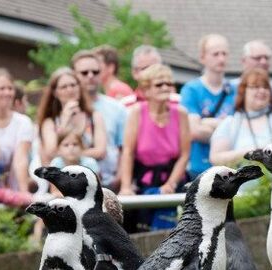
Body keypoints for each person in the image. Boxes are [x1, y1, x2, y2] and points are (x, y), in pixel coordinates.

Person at [119, 64, 190, 230]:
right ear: (146, 90)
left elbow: (184, 155)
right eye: (159, 84)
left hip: (174, 178)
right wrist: (126, 187)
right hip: (144, 180)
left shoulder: (180, 114)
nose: (165, 87)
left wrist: (171, 184)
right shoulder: (137, 112)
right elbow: (128, 152)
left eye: (168, 83)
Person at [180, 34, 235, 178]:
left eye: (224, 54)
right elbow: (194, 131)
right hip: (199, 168)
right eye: (215, 54)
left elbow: (238, 131)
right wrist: (225, 128)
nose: (221, 58)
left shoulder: (235, 90)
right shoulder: (191, 89)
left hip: (229, 169)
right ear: (202, 57)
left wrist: (207, 122)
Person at [71, 50, 127, 190]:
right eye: (84, 73)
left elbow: (124, 148)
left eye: (95, 72)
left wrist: (120, 178)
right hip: (71, 183)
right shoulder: (66, 108)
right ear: (74, 75)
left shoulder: (117, 108)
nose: (90, 76)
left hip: (109, 183)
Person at [37, 67, 106, 168]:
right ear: (55, 93)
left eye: (73, 85)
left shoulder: (93, 116)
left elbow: (100, 151)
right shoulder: (50, 122)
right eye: (64, 87)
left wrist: (68, 154)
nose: (70, 89)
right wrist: (64, 120)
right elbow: (50, 152)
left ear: (79, 87)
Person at [0, 68, 34, 192]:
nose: (7, 93)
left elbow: (21, 158)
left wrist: (23, 193)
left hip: (13, 189)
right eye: (2, 88)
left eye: (10, 88)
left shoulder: (23, 122)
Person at [237, 40, 272, 113]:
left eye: (267, 58)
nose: (263, 62)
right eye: (257, 58)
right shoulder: (229, 90)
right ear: (243, 61)